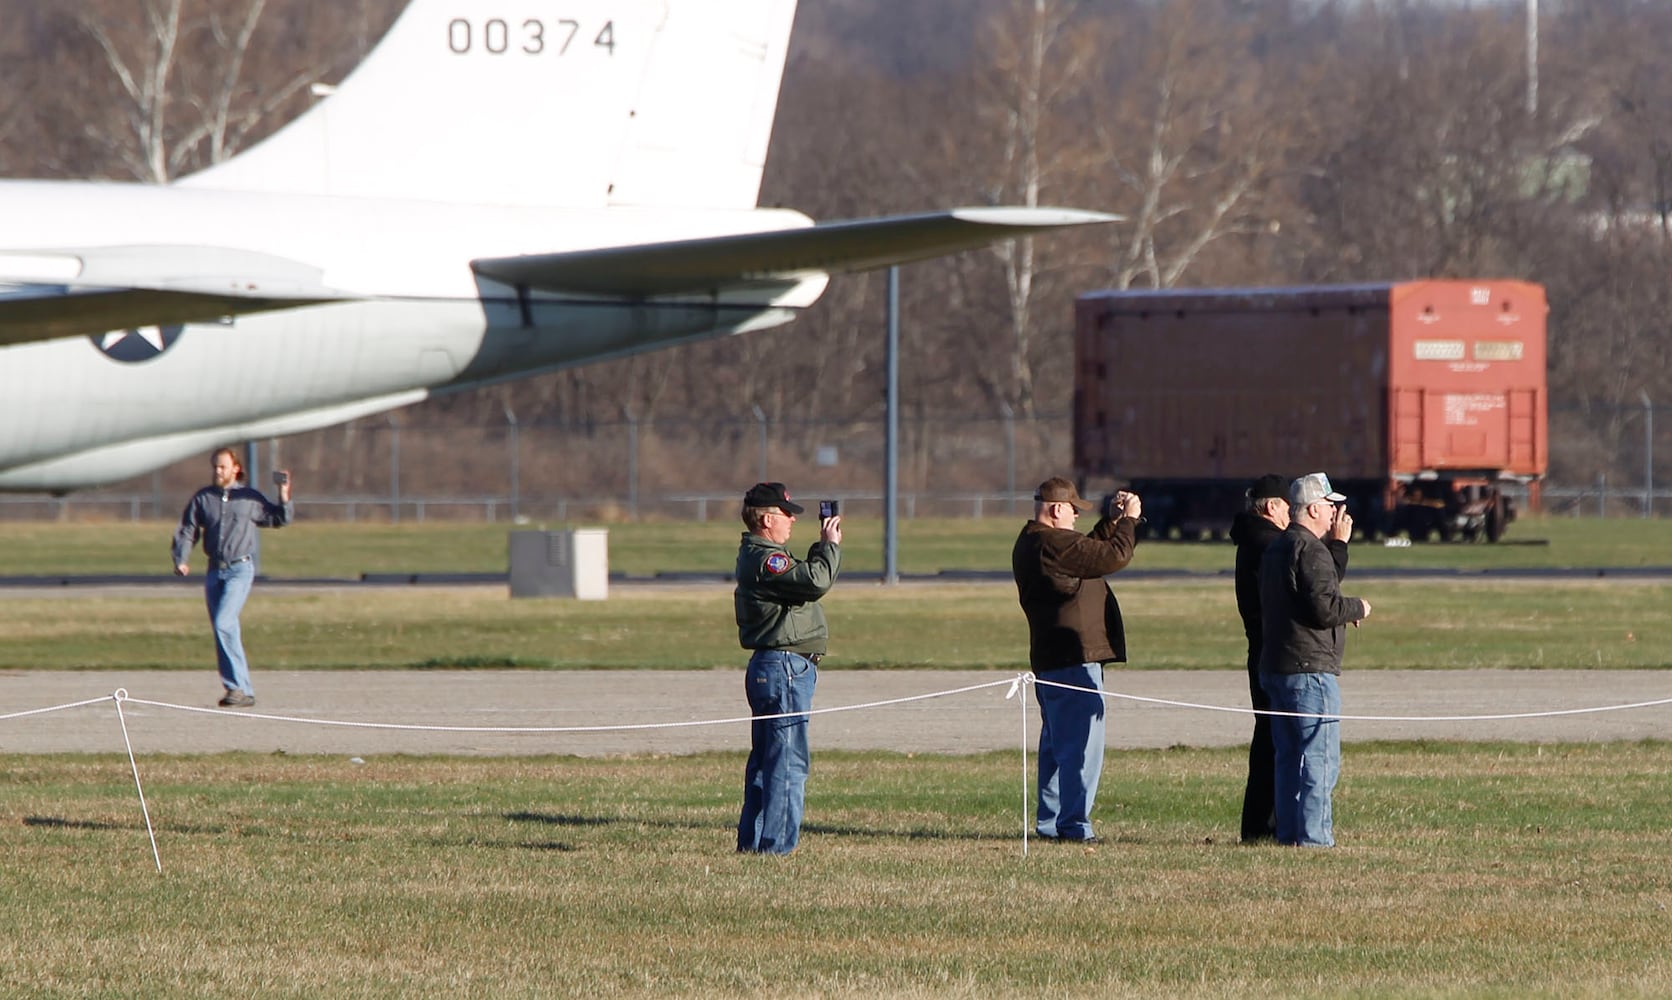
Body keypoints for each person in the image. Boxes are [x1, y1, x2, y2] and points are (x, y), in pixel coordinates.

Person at [1011, 476, 1141, 844]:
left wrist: (1112, 523)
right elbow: (1111, 556)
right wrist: (1129, 521)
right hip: (1074, 659)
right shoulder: (1051, 542)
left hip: (1052, 657)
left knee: (1056, 747)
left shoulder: (1034, 540)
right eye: (1073, 511)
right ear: (1056, 510)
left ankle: (1052, 822)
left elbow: (1085, 550)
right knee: (1081, 748)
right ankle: (1074, 826)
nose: (1075, 519)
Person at [1257, 472, 1371, 848]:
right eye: (1328, 505)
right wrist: (1359, 607)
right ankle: (1315, 839)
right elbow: (1324, 608)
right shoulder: (1312, 549)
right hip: (1310, 670)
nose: (1334, 512)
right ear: (1312, 509)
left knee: (1289, 759)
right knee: (1319, 761)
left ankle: (1290, 835)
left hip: (1278, 666)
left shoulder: (1276, 547)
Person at [734, 481, 842, 854]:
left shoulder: (761, 556)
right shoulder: (767, 559)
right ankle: (776, 847)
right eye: (785, 515)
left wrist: (819, 549)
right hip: (784, 669)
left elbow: (803, 581)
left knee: (767, 761)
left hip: (775, 667)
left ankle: (754, 844)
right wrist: (829, 546)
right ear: (766, 519)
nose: (791, 521)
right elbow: (816, 581)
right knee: (788, 763)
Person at [171, 448, 293, 708]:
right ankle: (241, 690)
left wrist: (283, 496)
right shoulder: (203, 499)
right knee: (224, 628)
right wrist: (181, 558)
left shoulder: (249, 498)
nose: (218, 471)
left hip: (240, 569)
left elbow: (278, 519)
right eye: (215, 467)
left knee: (224, 623)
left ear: (235, 469)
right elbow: (187, 529)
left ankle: (237, 687)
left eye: (223, 467)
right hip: (214, 571)